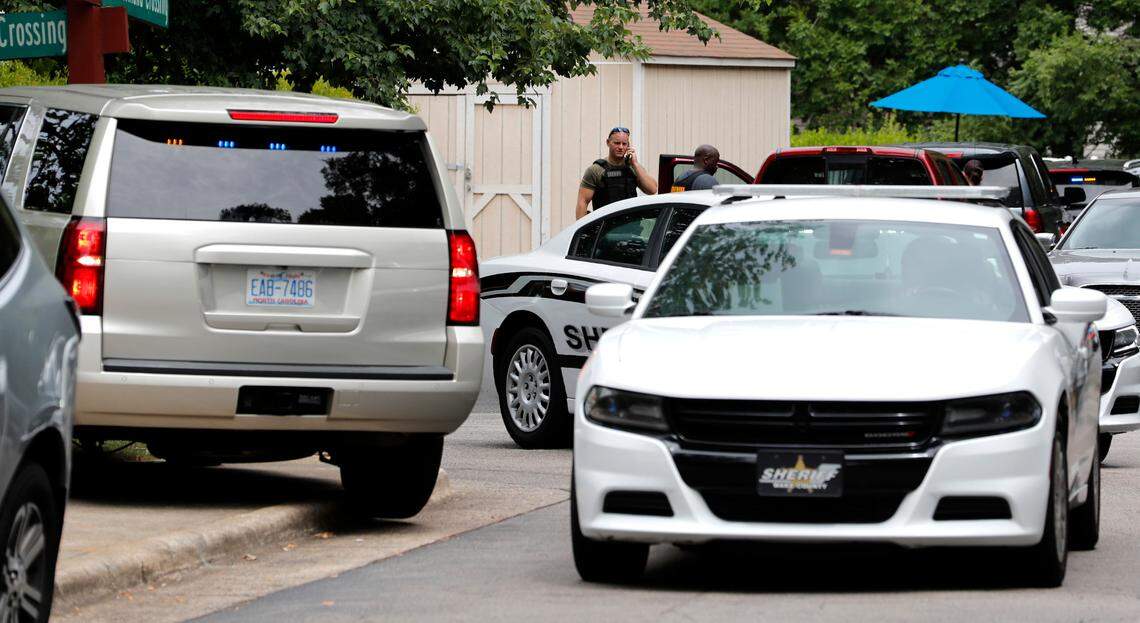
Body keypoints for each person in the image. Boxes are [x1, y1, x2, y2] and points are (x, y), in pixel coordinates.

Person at [576, 127, 657, 219]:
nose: (621, 147)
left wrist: (635, 163)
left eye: (624, 144)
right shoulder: (596, 170)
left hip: (631, 226)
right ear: (608, 143)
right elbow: (583, 202)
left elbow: (652, 190)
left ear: (628, 146)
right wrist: (581, 231)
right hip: (605, 228)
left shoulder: (633, 168)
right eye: (617, 143)